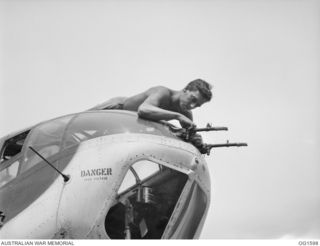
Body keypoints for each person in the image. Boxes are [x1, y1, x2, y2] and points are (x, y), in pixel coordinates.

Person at [89, 79, 212, 130]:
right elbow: (143, 109)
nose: (192, 106)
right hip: (116, 107)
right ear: (186, 90)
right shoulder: (163, 92)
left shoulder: (186, 113)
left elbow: (189, 135)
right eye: (193, 99)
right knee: (80, 122)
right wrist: (177, 116)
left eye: (197, 105)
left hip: (127, 126)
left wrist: (196, 138)